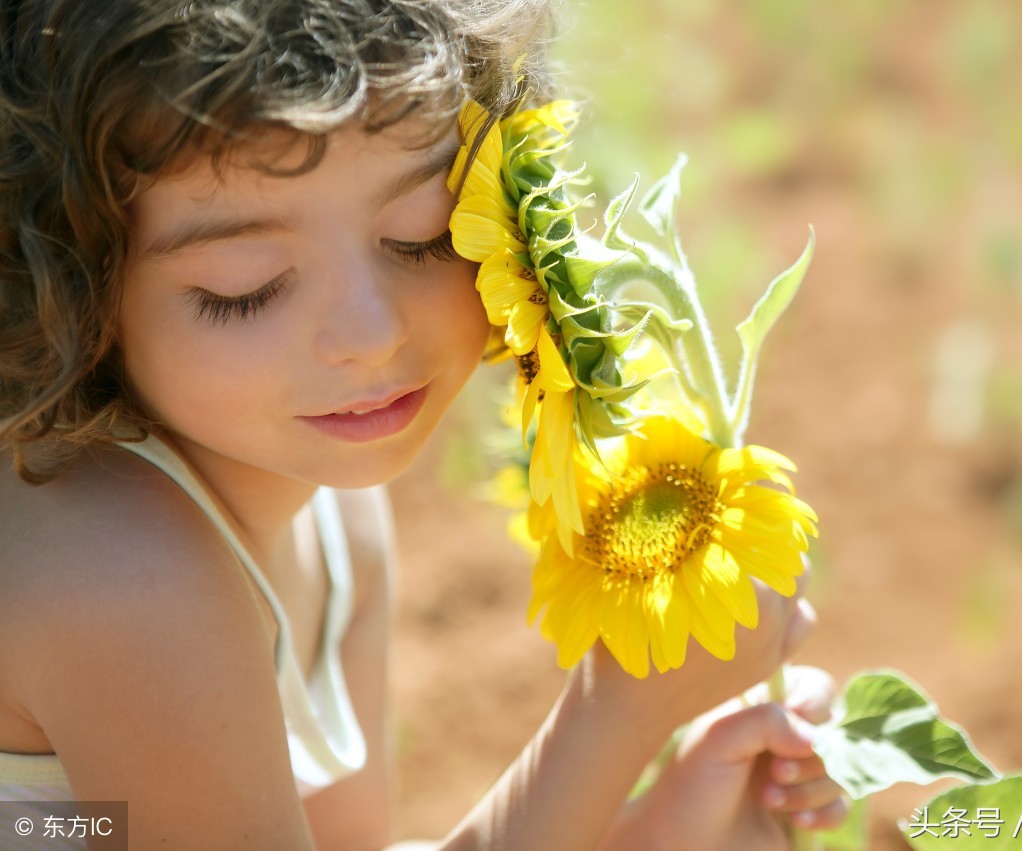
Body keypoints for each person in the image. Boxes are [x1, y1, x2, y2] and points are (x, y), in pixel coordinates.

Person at [0, 2, 848, 849]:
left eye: (422, 236)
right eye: (245, 284)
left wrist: (659, 829)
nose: (372, 336)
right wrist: (615, 717)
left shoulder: (337, 516)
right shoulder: (120, 580)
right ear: (70, 293)